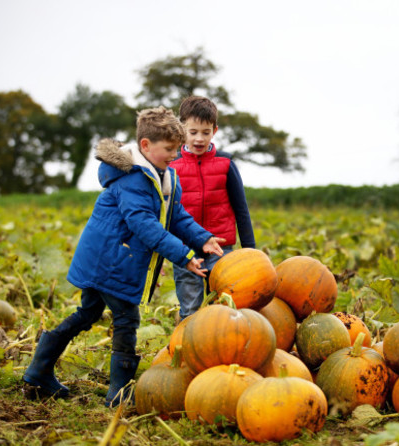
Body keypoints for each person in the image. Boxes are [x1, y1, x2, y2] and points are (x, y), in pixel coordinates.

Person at [22, 106, 225, 407]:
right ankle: (119, 393)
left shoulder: (165, 176)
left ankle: (39, 370)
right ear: (145, 146)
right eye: (168, 149)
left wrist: (202, 238)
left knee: (87, 314)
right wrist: (184, 255)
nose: (174, 155)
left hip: (110, 260)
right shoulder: (131, 179)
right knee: (127, 319)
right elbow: (143, 224)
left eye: (174, 149)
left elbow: (176, 216)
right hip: (109, 261)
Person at [170, 96, 255, 320]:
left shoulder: (226, 164)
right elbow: (165, 212)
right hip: (185, 248)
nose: (199, 138)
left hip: (221, 247)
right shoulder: (172, 167)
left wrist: (250, 250)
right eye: (193, 131)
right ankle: (188, 346)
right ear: (182, 130)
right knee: (190, 307)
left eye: (205, 132)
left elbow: (241, 210)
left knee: (223, 304)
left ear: (214, 131)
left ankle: (220, 348)